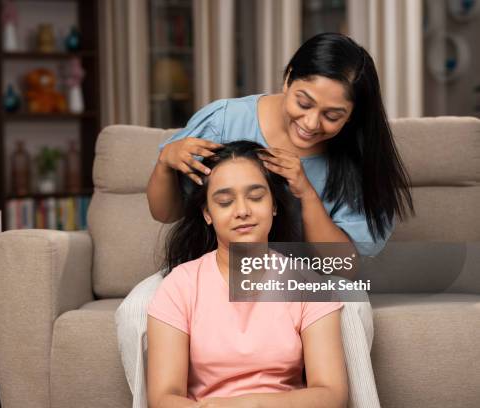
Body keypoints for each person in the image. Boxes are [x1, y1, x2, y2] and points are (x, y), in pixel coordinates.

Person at [116, 32, 413, 408]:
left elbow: (342, 265)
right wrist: (165, 162)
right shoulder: (226, 120)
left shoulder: (355, 159)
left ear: (353, 116)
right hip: (212, 265)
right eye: (303, 102)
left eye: (332, 115)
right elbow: (166, 211)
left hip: (304, 272)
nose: (311, 123)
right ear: (287, 78)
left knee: (349, 305)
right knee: (135, 310)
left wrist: (304, 190)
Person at [147, 141, 347, 407]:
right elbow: (163, 398)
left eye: (255, 197)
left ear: (274, 205)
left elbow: (332, 393)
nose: (242, 211)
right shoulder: (180, 285)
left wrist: (249, 405)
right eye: (225, 202)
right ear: (208, 214)